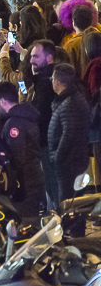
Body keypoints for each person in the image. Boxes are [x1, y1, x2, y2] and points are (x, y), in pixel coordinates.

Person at [0, 82, 45, 217]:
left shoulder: (14, 123)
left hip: (25, 182)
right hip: (34, 177)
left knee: (25, 223)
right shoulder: (26, 117)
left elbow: (16, 157)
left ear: (3, 101)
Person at [49, 63, 91, 201]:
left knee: (67, 200)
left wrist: (57, 158)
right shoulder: (70, 99)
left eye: (52, 78)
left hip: (69, 162)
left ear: (57, 81)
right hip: (71, 160)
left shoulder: (69, 103)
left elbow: (69, 134)